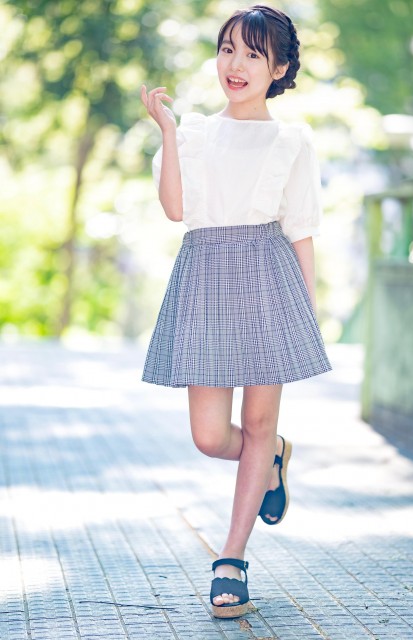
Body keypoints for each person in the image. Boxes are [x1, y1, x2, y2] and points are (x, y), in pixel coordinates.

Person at [140, 3, 332, 619]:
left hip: (269, 282)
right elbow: (176, 209)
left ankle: (232, 559)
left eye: (253, 54)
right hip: (205, 279)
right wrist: (167, 132)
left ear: (279, 69)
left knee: (255, 420)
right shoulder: (193, 133)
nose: (237, 64)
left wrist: (307, 314)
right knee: (209, 436)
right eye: (228, 49)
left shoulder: (292, 140)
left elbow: (300, 230)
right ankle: (271, 455)